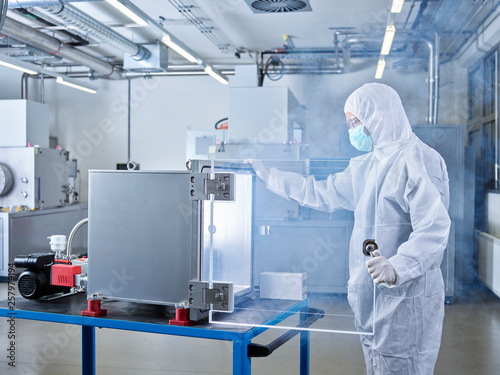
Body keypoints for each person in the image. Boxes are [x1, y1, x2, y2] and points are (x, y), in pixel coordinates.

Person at [250, 82, 451, 375]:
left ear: (378, 116)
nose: (352, 129)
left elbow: (434, 228)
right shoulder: (367, 166)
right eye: (349, 123)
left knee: (405, 364)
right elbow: (323, 192)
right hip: (371, 298)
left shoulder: (418, 159)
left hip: (407, 299)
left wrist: (398, 266)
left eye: (356, 121)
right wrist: (273, 179)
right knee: (377, 364)